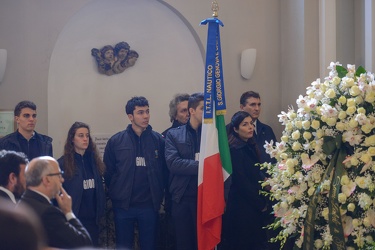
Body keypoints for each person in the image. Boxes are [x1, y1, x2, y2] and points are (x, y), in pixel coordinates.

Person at [104, 96, 167, 250]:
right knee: (123, 246)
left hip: (149, 205)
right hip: (123, 206)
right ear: (130, 116)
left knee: (149, 245)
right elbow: (108, 172)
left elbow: (164, 171)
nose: (145, 116)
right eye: (140, 112)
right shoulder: (116, 141)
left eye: (147, 112)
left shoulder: (158, 140)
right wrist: (116, 193)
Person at [18, 156, 92, 249]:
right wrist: (68, 212)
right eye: (59, 175)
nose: (62, 180)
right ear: (46, 180)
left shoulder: (21, 203)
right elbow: (83, 243)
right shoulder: (49, 213)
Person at [221, 111, 268, 250]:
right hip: (242, 206)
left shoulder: (250, 145)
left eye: (251, 124)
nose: (250, 127)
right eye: (245, 124)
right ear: (235, 129)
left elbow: (254, 172)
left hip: (252, 204)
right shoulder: (235, 149)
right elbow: (241, 181)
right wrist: (259, 202)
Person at [164, 92, 204, 250]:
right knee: (184, 243)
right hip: (183, 197)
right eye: (203, 109)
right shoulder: (173, 135)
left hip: (205, 197)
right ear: (192, 111)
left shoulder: (210, 135)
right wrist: (203, 165)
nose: (206, 112)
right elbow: (174, 163)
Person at [57, 121, 106, 246]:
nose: (85, 139)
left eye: (87, 135)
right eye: (80, 135)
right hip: (74, 219)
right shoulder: (63, 164)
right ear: (72, 139)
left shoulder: (94, 161)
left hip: (93, 221)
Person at [239, 91, 277, 165]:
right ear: (242, 107)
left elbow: (275, 156)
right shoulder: (233, 130)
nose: (257, 108)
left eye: (259, 105)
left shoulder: (267, 130)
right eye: (252, 105)